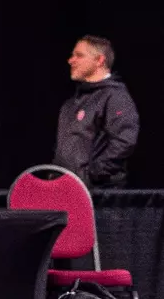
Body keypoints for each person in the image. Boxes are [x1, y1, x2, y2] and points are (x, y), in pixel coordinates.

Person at [55, 36, 138, 188]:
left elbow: (124, 142)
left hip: (99, 196)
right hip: (68, 191)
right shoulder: (72, 103)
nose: (71, 60)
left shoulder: (115, 97)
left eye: (79, 55)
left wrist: (92, 175)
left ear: (99, 60)